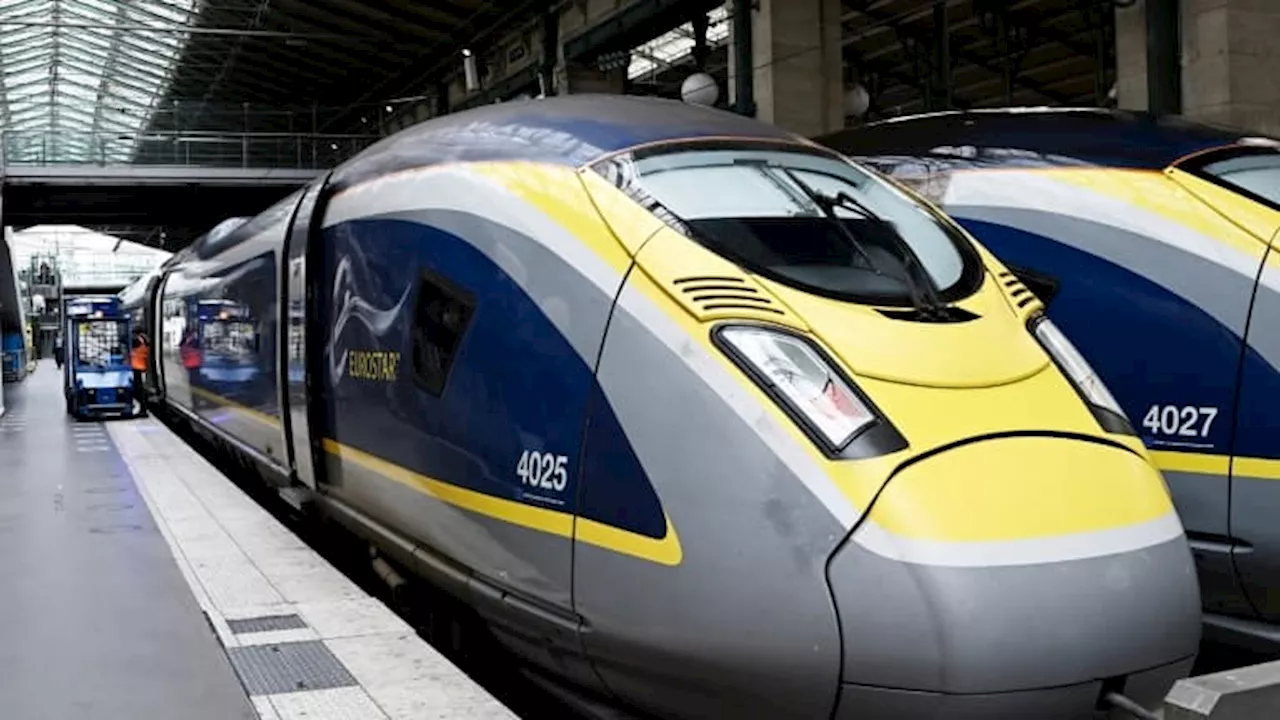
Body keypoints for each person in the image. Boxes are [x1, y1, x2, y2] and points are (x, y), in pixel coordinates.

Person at [130, 328, 150, 418]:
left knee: (138, 390)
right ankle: (143, 409)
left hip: (136, 367)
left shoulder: (138, 340)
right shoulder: (145, 340)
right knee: (141, 389)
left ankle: (141, 410)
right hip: (141, 366)